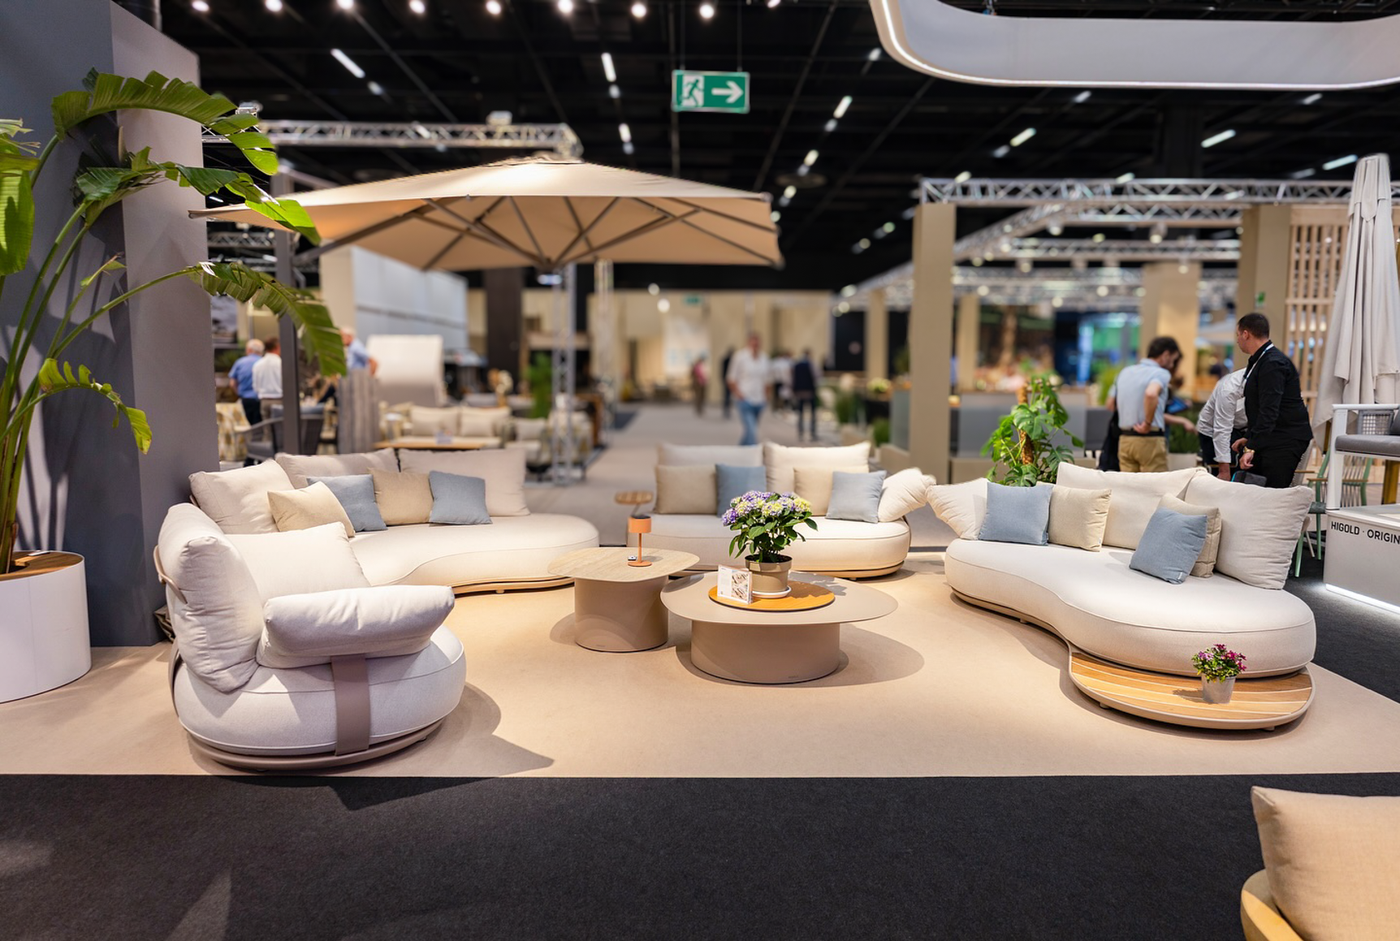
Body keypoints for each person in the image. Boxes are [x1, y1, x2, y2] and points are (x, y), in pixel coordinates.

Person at [1233, 312, 1313, 488]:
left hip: (1283, 440)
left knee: (1272, 495)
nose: (1237, 340)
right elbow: (1259, 407)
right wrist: (1249, 438)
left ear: (1246, 334)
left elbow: (1269, 410)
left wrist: (1252, 447)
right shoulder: (1262, 360)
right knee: (1254, 491)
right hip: (1272, 438)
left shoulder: (1273, 363)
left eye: (1238, 335)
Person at [1106, 337, 1182, 473]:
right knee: (1154, 485)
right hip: (1150, 439)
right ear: (1166, 355)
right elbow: (1151, 393)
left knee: (1129, 484)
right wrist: (1146, 423)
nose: (1172, 365)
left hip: (1125, 440)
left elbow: (1110, 404)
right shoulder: (1160, 373)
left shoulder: (1124, 372)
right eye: (1173, 359)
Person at [1196, 367, 1248, 480]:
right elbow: (1222, 429)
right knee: (1220, 475)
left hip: (1243, 427)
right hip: (1212, 428)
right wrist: (1224, 470)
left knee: (1242, 471)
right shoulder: (1229, 388)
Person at [726, 333, 771, 446]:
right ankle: (753, 454)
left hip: (759, 399)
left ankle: (740, 451)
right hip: (745, 399)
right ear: (748, 343)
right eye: (753, 343)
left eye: (757, 343)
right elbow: (731, 378)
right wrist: (739, 394)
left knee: (750, 430)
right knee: (752, 430)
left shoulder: (764, 358)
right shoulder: (740, 357)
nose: (755, 345)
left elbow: (767, 379)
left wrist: (766, 396)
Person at [228, 338, 264, 425]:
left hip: (246, 400)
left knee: (246, 426)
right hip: (261, 399)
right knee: (260, 426)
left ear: (249, 350)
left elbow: (232, 383)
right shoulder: (264, 362)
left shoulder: (240, 362)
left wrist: (239, 393)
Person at [790, 348, 821, 441]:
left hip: (799, 392)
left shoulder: (796, 364)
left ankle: (800, 433)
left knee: (800, 413)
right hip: (809, 391)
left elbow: (793, 378)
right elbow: (817, 376)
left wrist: (794, 389)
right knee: (812, 413)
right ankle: (812, 433)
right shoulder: (811, 364)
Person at [251, 336, 283, 408]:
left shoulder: (257, 364)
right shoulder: (281, 363)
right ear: (277, 347)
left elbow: (255, 386)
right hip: (279, 400)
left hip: (264, 401)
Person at [720, 347, 736, 419]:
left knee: (728, 396)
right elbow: (723, 371)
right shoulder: (729, 360)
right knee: (727, 396)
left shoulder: (732, 360)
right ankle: (726, 410)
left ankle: (727, 409)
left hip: (729, 380)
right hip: (728, 380)